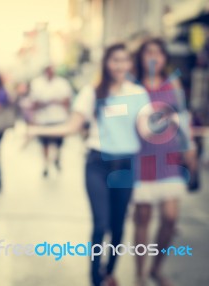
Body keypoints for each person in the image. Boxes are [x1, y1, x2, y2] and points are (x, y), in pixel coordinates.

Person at [28, 43, 156, 286]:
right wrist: (36, 129)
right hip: (97, 163)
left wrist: (162, 125)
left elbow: (146, 127)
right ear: (106, 63)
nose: (119, 65)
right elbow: (71, 126)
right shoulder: (92, 92)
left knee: (118, 227)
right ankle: (94, 278)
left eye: (124, 60)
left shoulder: (138, 93)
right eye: (114, 60)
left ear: (130, 64)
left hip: (125, 165)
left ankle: (109, 272)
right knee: (101, 225)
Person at [133, 38, 193, 286]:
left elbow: (182, 116)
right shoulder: (133, 85)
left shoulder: (172, 83)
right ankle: (139, 274)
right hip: (140, 155)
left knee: (169, 217)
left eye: (158, 52)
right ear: (141, 57)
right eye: (148, 52)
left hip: (168, 156)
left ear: (165, 58)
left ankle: (156, 267)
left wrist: (189, 147)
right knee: (143, 218)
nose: (153, 57)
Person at [29, 65, 72, 177]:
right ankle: (46, 164)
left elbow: (67, 100)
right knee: (44, 144)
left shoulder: (62, 83)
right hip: (43, 119)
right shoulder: (37, 83)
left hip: (59, 118)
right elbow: (34, 102)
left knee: (58, 143)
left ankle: (57, 159)